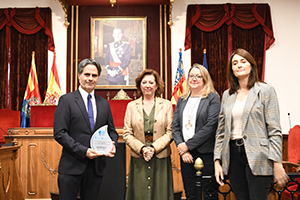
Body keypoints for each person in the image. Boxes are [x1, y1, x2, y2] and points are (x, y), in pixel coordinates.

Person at [214, 48, 289, 200]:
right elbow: (221, 132)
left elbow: (274, 130)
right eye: (235, 63)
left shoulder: (266, 91)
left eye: (243, 61)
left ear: (251, 66)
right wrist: (217, 161)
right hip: (233, 156)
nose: (239, 65)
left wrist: (277, 163)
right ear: (232, 70)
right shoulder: (227, 95)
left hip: (259, 156)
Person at [54, 58, 119, 200]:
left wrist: (112, 144)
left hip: (96, 168)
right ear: (79, 76)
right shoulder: (67, 100)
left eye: (94, 76)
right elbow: (60, 133)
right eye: (87, 74)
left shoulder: (104, 103)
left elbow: (112, 131)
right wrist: (84, 151)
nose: (90, 79)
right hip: (72, 165)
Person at [123, 69, 174, 200]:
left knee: (160, 194)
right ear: (140, 85)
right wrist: (142, 149)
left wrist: (153, 148)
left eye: (151, 82)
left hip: (161, 158)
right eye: (144, 82)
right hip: (139, 158)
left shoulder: (167, 105)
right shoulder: (131, 106)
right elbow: (127, 133)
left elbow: (170, 132)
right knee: (140, 195)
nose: (147, 85)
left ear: (157, 85)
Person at [172, 63, 221, 200]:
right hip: (186, 156)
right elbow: (175, 126)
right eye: (191, 76)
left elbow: (211, 126)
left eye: (198, 76)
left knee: (209, 194)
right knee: (190, 194)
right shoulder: (182, 99)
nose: (194, 79)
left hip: (206, 154)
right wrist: (183, 149)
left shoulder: (213, 98)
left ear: (205, 79)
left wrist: (188, 145)